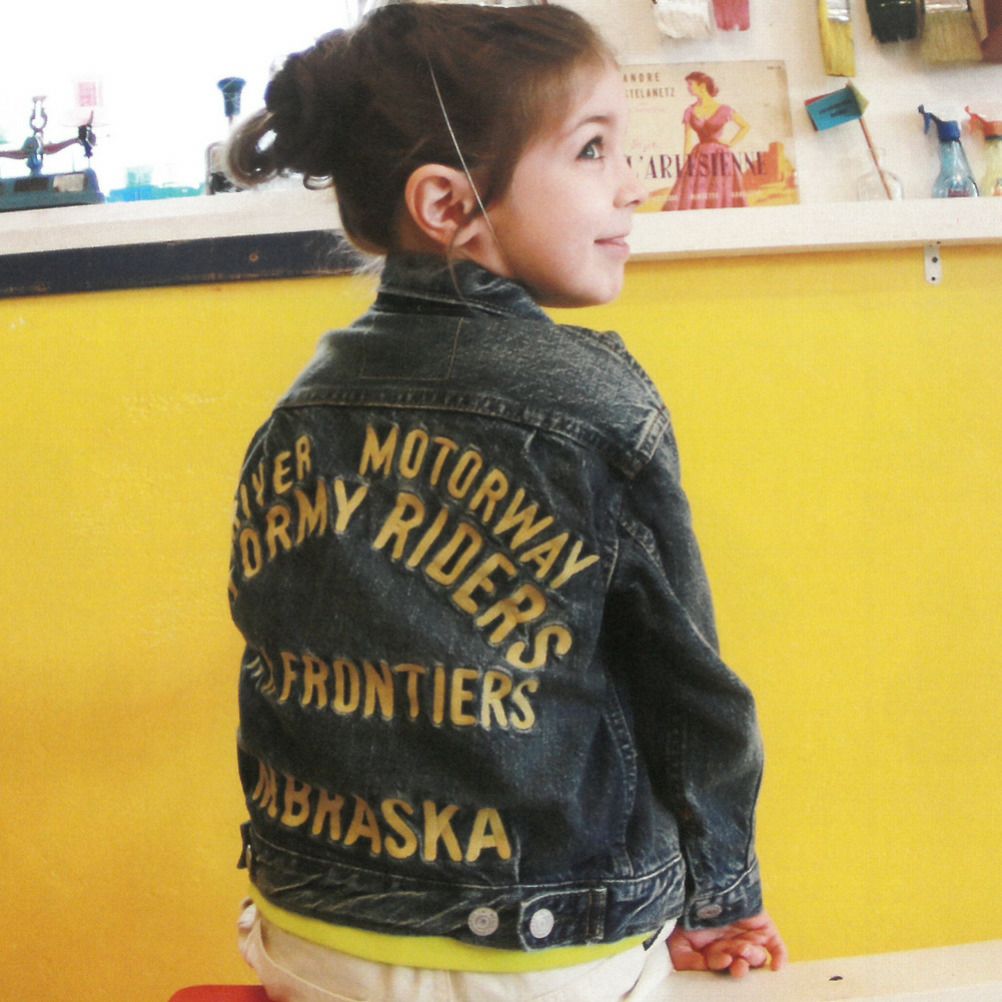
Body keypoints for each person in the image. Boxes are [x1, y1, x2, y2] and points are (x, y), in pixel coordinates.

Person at [225, 4, 786, 1000]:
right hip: (543, 955)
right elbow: (691, 698)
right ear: (448, 204)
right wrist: (722, 896)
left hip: (308, 935)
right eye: (592, 149)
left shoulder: (299, 409)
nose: (631, 183)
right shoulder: (597, 405)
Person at [663, 71, 750, 211]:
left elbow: (745, 126)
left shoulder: (725, 109)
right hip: (698, 157)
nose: (688, 88)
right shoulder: (689, 111)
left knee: (720, 192)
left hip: (721, 158)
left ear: (702, 86)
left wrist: (731, 143)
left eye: (690, 84)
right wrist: (686, 161)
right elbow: (687, 139)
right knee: (696, 195)